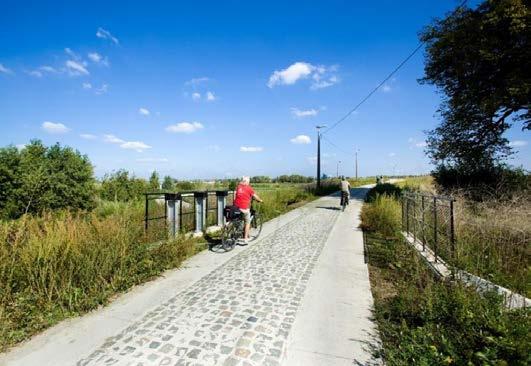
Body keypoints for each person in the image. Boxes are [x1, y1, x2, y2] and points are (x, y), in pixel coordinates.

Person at [233, 176, 263, 243]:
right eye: (248, 182)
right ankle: (245, 239)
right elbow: (255, 196)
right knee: (247, 222)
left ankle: (238, 232)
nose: (249, 183)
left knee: (239, 219)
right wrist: (260, 200)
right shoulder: (249, 188)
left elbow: (236, 194)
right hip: (244, 208)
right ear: (247, 182)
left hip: (235, 207)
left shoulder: (238, 187)